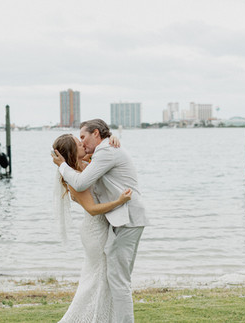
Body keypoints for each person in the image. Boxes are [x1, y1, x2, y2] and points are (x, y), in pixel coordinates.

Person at [54, 119, 150, 323]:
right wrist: (118, 201)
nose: (82, 143)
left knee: (115, 280)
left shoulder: (104, 152)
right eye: (78, 141)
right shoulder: (96, 156)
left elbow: (82, 179)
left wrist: (62, 165)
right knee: (109, 280)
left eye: (83, 137)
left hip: (127, 219)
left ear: (96, 134)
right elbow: (82, 188)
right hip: (108, 225)